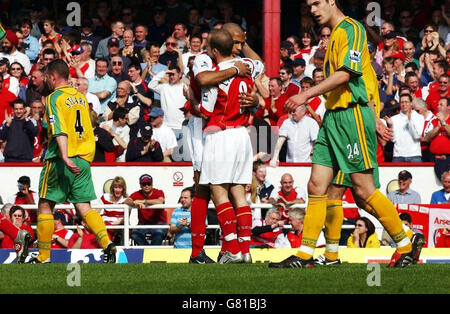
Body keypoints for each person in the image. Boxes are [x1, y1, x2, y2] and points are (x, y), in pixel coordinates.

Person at [269, 0, 417, 269]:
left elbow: (348, 74)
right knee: (317, 186)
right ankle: (306, 254)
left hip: (351, 116)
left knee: (363, 190)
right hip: (332, 116)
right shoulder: (335, 35)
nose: (312, 10)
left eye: (316, 3)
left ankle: (406, 244)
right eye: (308, 5)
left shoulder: (352, 29)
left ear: (331, 2)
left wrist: (304, 94)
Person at [28, 59, 116, 263]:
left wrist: (65, 156)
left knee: (45, 205)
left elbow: (59, 128)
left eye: (47, 77)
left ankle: (43, 256)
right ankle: (108, 244)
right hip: (84, 159)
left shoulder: (52, 98)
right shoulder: (81, 97)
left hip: (61, 158)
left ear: (53, 77)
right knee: (85, 207)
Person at [199, 29, 261, 264]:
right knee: (239, 191)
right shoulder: (247, 68)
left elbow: (205, 111)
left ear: (214, 51)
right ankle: (245, 250)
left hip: (220, 134)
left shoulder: (215, 75)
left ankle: (232, 248)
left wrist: (191, 100)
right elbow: (259, 63)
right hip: (242, 135)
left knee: (218, 191)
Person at [125, 174, 167, 246]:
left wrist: (143, 201)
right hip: (143, 224)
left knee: (158, 234)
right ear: (140, 185)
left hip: (159, 223)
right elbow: (126, 201)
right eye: (144, 184)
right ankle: (148, 251)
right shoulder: (137, 193)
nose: (146, 186)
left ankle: (150, 253)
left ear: (152, 184)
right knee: (134, 234)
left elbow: (160, 201)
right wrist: (135, 203)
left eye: (149, 183)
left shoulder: (159, 192)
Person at [386, 93, 424, 162]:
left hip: (414, 155)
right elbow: (393, 140)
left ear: (411, 103)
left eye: (406, 102)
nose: (404, 104)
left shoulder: (419, 117)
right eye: (402, 102)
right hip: (398, 156)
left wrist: (410, 120)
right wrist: (391, 126)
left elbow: (417, 136)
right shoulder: (394, 119)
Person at [148, 64, 187, 131]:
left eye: (173, 74)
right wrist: (164, 72)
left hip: (181, 126)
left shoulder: (185, 87)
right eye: (170, 74)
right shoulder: (164, 87)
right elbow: (151, 85)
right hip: (166, 127)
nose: (171, 77)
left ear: (180, 74)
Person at [424, 97, 450, 180]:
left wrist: (444, 123)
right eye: (438, 104)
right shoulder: (433, 120)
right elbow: (426, 138)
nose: (438, 106)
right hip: (434, 158)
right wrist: (437, 128)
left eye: (441, 105)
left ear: (448, 107)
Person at [98, 176, 128, 244]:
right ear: (112, 188)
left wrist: (118, 222)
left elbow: (127, 217)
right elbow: (97, 212)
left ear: (123, 189)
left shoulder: (126, 200)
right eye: (116, 187)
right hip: (105, 224)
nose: (117, 190)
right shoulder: (105, 197)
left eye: (120, 188)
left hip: (118, 225)